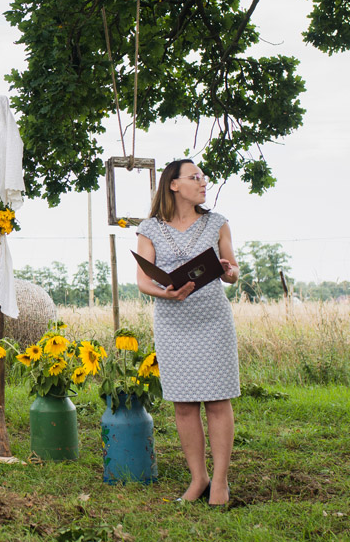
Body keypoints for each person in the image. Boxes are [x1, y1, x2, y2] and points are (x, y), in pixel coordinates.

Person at [135, 159, 240, 507]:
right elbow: (142, 281)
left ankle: (221, 483)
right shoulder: (149, 228)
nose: (203, 182)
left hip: (212, 319)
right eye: (195, 177)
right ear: (174, 185)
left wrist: (228, 271)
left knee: (217, 400)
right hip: (173, 323)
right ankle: (199, 479)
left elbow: (233, 271)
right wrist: (165, 292)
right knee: (183, 405)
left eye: (204, 177)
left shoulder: (217, 223)